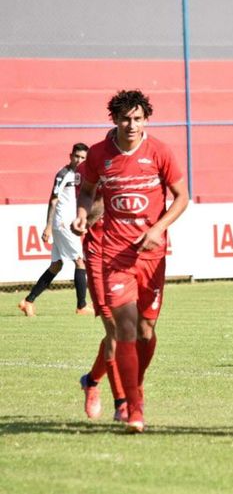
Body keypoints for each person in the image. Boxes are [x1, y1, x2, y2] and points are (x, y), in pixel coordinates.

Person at [72, 90, 189, 433]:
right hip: (114, 256)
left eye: (138, 119)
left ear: (146, 120)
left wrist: (159, 228)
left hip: (152, 256)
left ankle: (124, 387)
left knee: (146, 331)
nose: (132, 125)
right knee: (121, 327)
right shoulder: (98, 154)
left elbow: (183, 198)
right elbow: (87, 190)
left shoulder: (160, 152)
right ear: (115, 120)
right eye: (125, 119)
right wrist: (82, 214)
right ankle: (132, 407)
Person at [76, 151, 127, 422]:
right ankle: (122, 402)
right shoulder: (91, 167)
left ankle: (92, 381)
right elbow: (89, 216)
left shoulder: (140, 164)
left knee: (127, 331)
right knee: (115, 329)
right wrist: (108, 189)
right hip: (99, 254)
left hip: (128, 255)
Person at [18, 143, 93, 317]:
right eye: (77, 156)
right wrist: (48, 225)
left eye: (83, 158)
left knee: (56, 265)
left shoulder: (82, 175)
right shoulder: (63, 174)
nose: (79, 160)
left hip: (68, 223)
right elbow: (53, 200)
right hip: (63, 224)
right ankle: (81, 306)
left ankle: (28, 301)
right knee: (80, 261)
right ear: (70, 156)